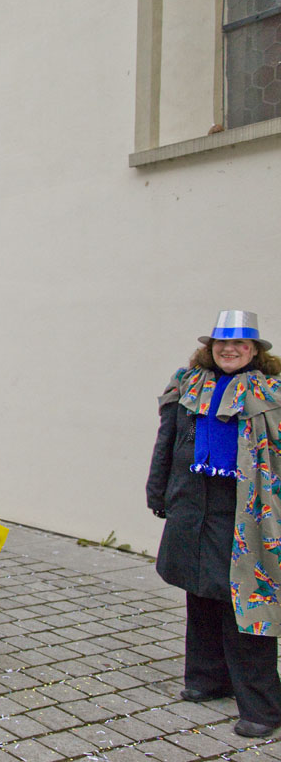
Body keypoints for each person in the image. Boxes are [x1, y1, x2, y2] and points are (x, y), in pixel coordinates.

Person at [147, 309, 281, 738]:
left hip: (245, 511)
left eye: (239, 344)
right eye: (221, 344)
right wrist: (157, 491)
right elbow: (166, 439)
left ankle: (261, 707)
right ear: (209, 348)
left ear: (255, 350)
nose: (229, 350)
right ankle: (206, 679)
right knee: (200, 591)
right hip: (192, 505)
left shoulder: (271, 394)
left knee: (245, 602)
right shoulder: (189, 385)